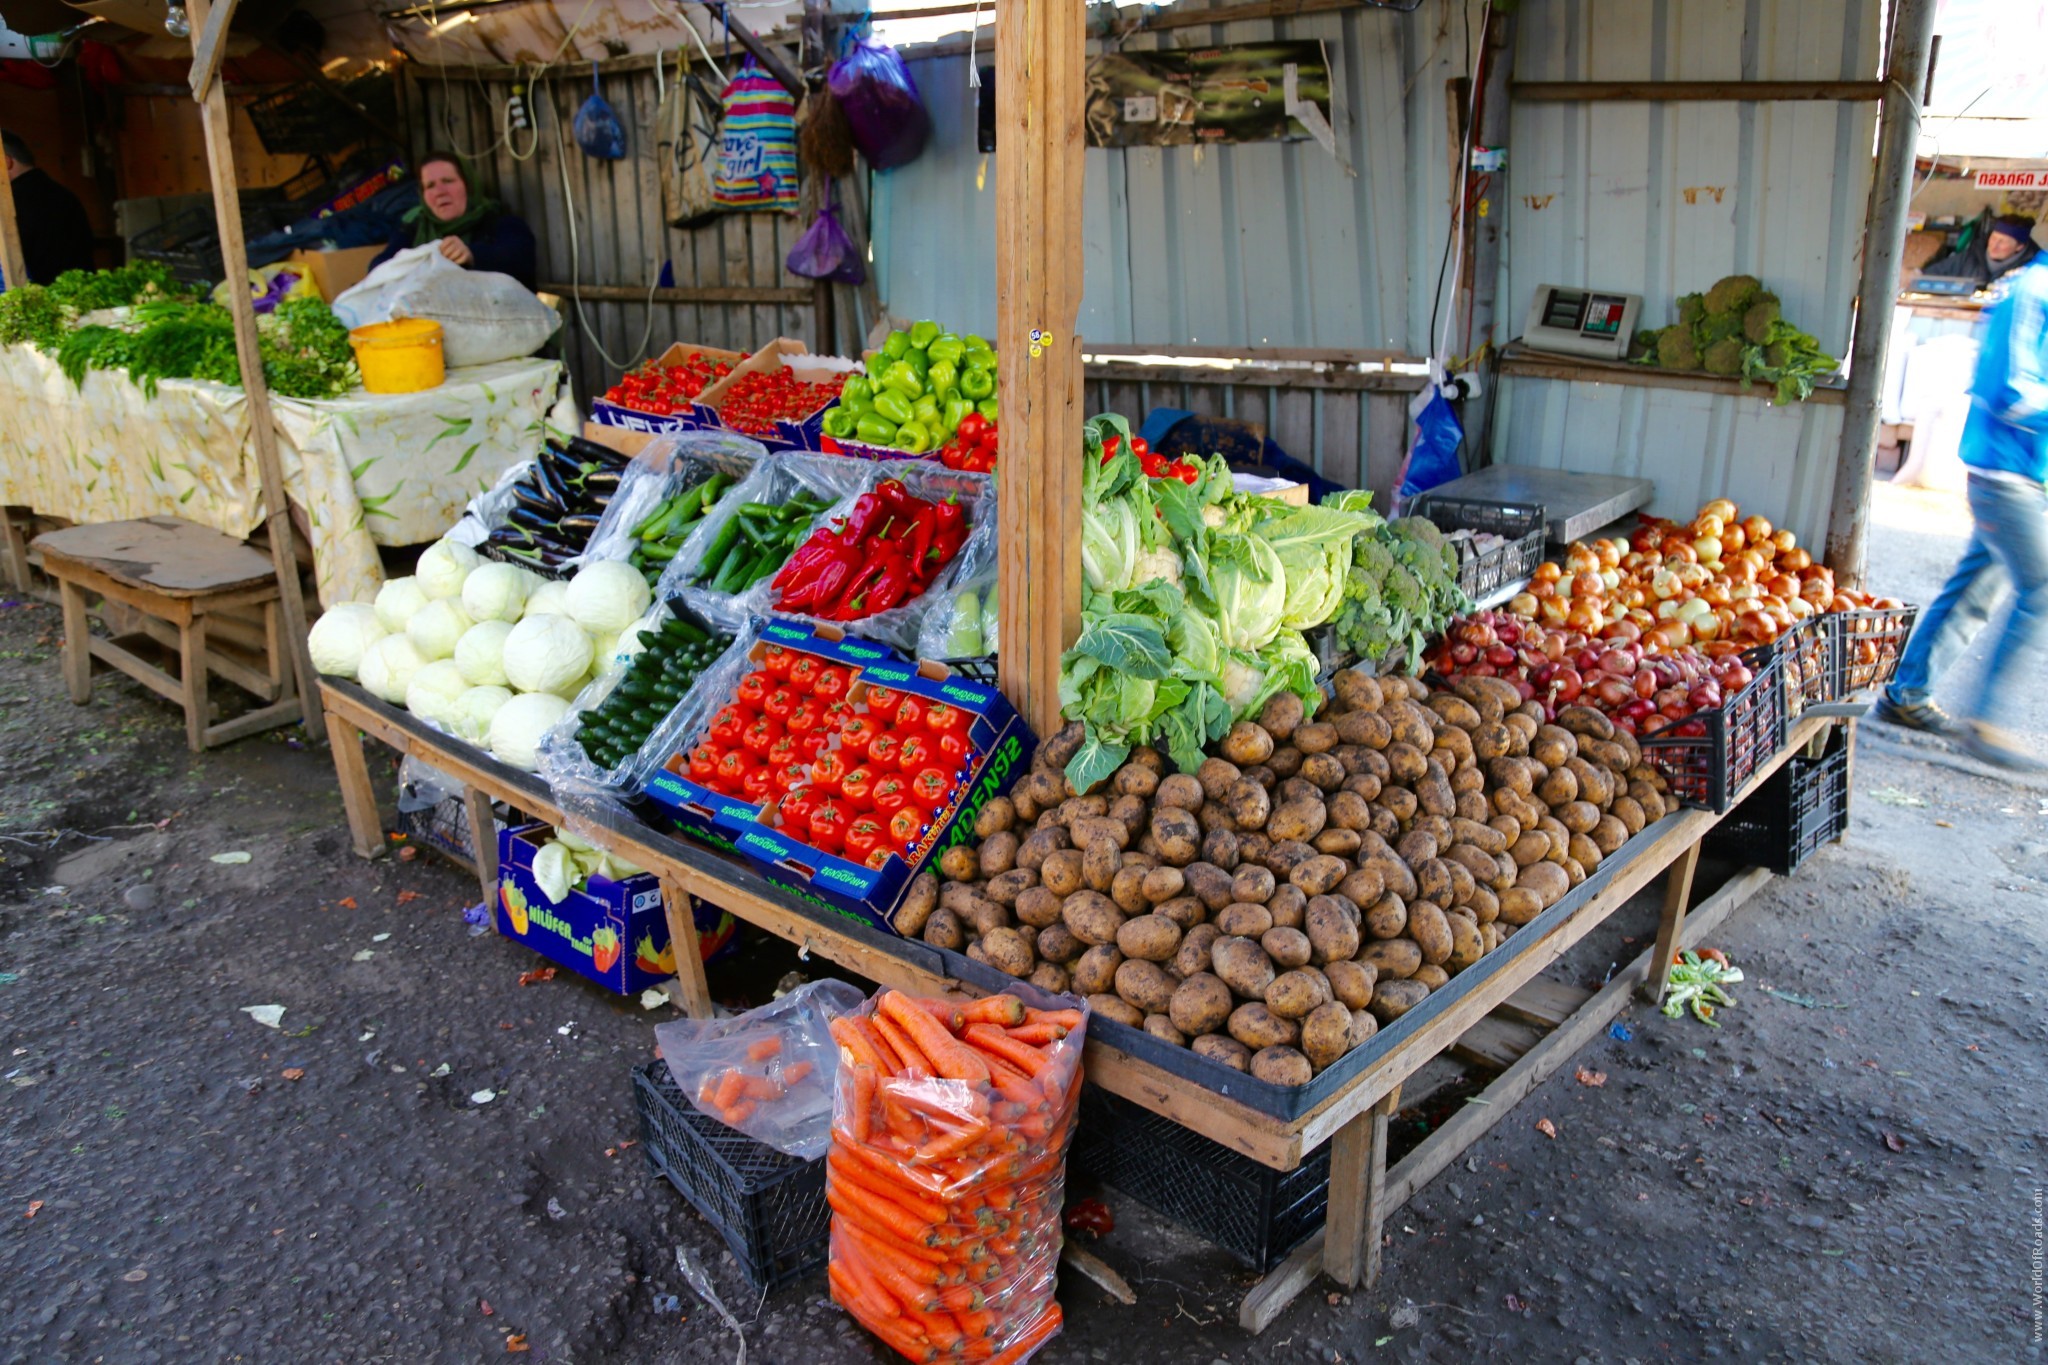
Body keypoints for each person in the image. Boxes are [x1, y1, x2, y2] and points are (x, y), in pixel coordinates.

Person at [1876, 244, 2048, 772]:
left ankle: (1906, 693)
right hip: (2005, 474)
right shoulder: (2032, 291)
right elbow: (2010, 389)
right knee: (2040, 589)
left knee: (1976, 589)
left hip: (2023, 474)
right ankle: (1987, 723)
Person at [369, 152, 537, 291]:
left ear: (468, 185)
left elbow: (522, 260)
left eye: (448, 181)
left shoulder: (499, 221)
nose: (439, 192)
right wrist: (417, 262)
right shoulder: (414, 226)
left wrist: (472, 254)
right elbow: (379, 267)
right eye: (430, 186)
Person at [2, 130, 94, 285]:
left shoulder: (11, 204)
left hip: (42, 299)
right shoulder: (63, 194)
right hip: (82, 290)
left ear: (5, 162)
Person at [1918, 212, 2039, 291]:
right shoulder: (1971, 256)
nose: (1994, 245)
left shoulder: (2034, 268)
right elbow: (1930, 274)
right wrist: (1914, 274)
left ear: (2020, 247)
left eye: (2002, 242)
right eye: (1993, 238)